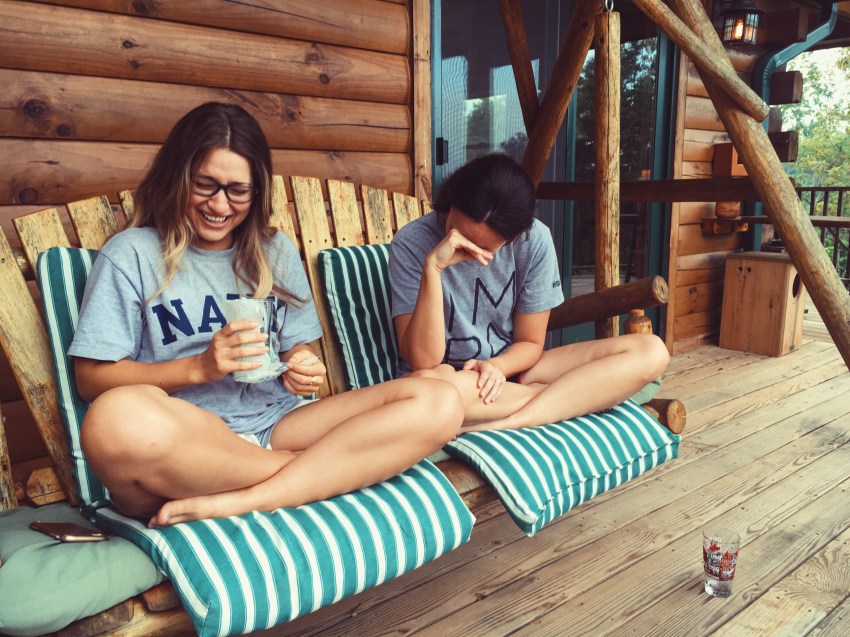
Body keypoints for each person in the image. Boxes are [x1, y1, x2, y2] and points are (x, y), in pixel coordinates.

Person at [70, 102, 463, 527]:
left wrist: (302, 364)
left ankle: (243, 499)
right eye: (205, 185)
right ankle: (328, 470)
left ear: (256, 192)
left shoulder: (273, 250)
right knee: (111, 421)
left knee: (440, 398)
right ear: (178, 177)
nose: (220, 204)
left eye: (238, 190)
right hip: (187, 443)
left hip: (279, 424)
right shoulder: (132, 254)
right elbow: (92, 379)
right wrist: (198, 368)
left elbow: (299, 345)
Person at [388, 153, 669, 433]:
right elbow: (422, 360)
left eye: (484, 248)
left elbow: (530, 343)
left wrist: (498, 367)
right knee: (431, 390)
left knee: (652, 351)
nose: (467, 250)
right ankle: (573, 396)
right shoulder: (412, 243)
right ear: (450, 202)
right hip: (451, 382)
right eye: (456, 233)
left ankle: (515, 419)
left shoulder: (534, 240)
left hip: (511, 370)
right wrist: (433, 268)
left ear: (514, 236)